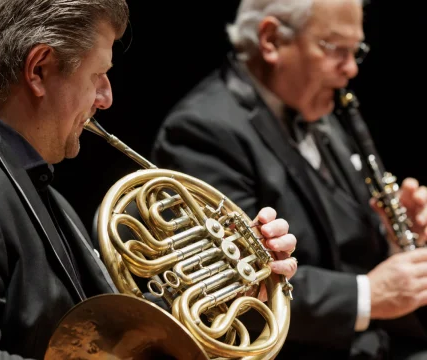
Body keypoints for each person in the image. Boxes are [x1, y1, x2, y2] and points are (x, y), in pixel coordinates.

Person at [0, 0, 297, 359]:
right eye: (97, 75)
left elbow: (90, 340)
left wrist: (220, 291)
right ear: (38, 69)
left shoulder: (21, 177)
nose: (107, 98)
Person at [151, 0, 427, 359]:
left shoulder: (316, 107)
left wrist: (393, 235)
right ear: (271, 40)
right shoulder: (201, 131)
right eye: (336, 49)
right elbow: (231, 281)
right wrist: (365, 296)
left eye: (355, 51)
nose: (350, 69)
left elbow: (342, 238)